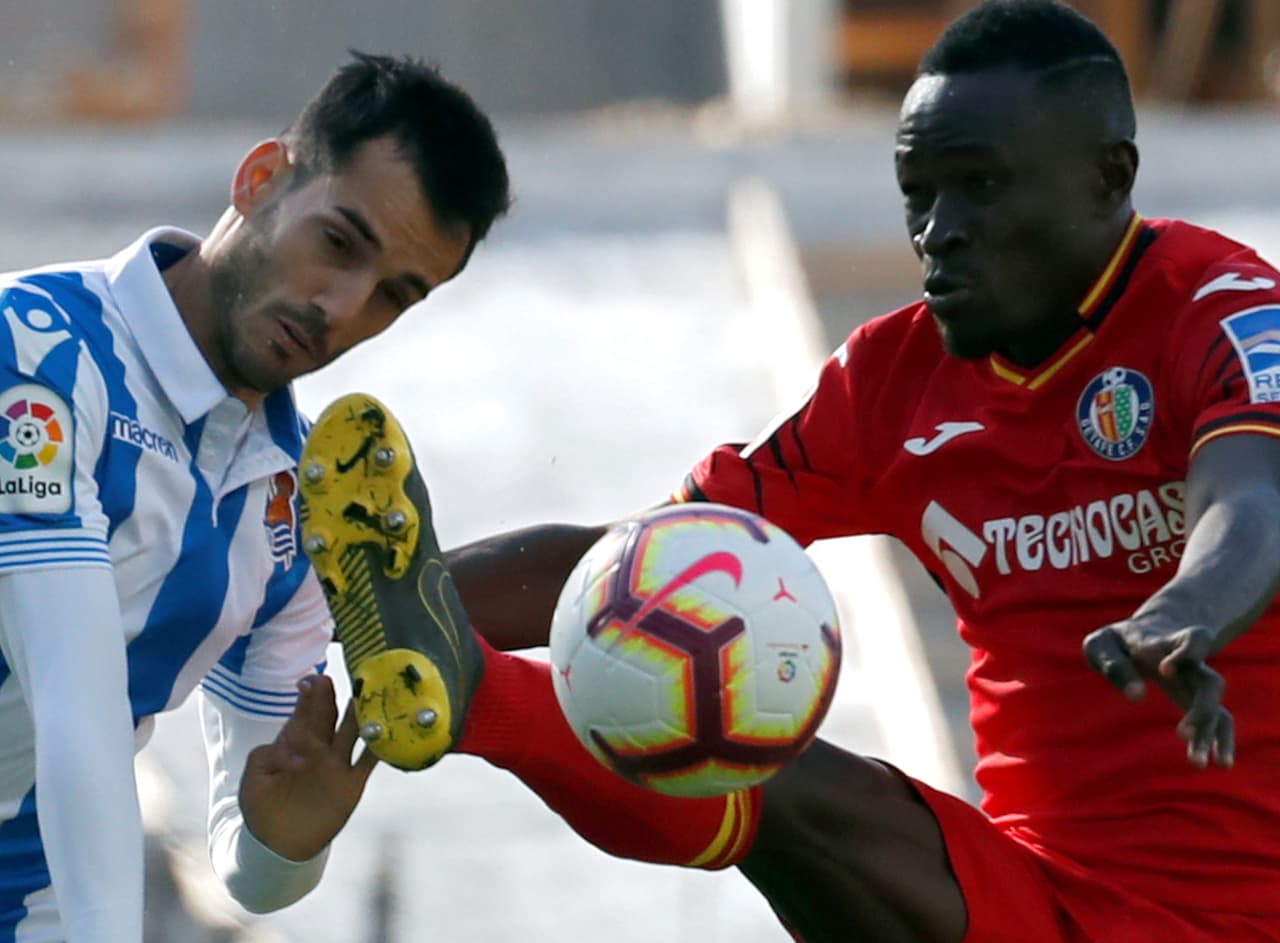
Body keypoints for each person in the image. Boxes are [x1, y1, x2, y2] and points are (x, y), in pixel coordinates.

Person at [302, 2, 1280, 941]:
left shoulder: (1224, 311)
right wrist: (335, 605)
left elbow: (1248, 502)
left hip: (1238, 918)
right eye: (916, 193)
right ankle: (453, 679)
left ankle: (464, 687)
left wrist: (1185, 606)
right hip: (1012, 901)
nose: (938, 230)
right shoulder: (889, 383)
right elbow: (637, 568)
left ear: (1108, 178)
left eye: (978, 186)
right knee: (719, 711)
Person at [0, 51, 510, 941]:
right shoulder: (36, 353)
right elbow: (73, 707)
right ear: (260, 178)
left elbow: (248, 870)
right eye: (339, 242)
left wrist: (290, 836)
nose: (342, 307)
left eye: (393, 295)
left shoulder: (304, 497)